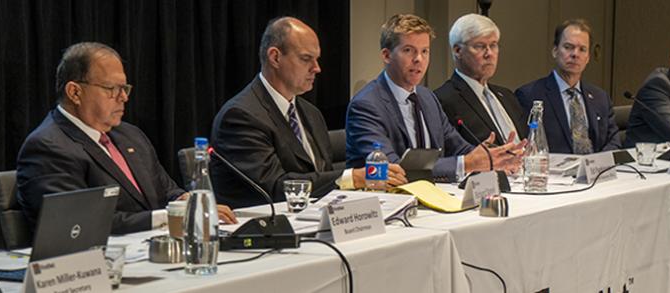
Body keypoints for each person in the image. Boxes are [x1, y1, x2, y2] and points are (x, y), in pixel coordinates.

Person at [16, 42, 236, 235]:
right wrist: (171, 215)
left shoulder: (130, 135)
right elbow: (80, 225)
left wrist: (184, 200)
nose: (124, 97)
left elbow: (166, 190)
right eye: (112, 89)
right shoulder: (48, 147)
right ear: (75, 92)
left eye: (125, 88)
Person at [211, 17, 407, 209]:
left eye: (317, 59)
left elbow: (322, 179)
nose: (317, 68)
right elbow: (275, 188)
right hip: (262, 225)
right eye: (306, 59)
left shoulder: (311, 113)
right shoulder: (241, 116)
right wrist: (353, 178)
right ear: (275, 57)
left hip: (313, 219)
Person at [345, 14, 524, 183]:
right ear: (386, 55)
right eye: (408, 50)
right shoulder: (366, 105)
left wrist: (490, 158)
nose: (419, 59)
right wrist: (467, 163)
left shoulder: (426, 97)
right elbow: (393, 170)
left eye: (425, 51)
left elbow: (458, 147)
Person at [515, 19, 620, 154]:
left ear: (588, 58)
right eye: (568, 47)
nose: (575, 54)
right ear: (555, 51)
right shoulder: (530, 95)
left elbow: (613, 141)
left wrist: (598, 163)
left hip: (597, 167)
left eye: (582, 49)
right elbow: (526, 145)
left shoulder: (601, 98)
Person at [434, 13, 527, 146]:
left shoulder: (507, 96)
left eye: (493, 45)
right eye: (479, 46)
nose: (489, 54)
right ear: (458, 51)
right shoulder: (443, 100)